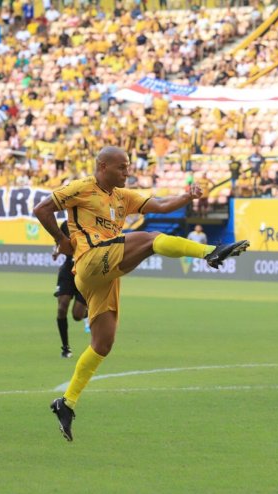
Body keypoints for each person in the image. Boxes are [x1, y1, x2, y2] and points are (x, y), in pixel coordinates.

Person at [33, 146, 249, 441]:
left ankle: (66, 403)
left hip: (103, 276)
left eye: (129, 166)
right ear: (102, 165)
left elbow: (160, 206)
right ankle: (211, 252)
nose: (127, 171)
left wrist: (186, 197)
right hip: (90, 260)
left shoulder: (124, 197)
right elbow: (41, 209)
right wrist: (61, 239)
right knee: (150, 240)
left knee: (102, 344)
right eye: (121, 167)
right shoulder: (81, 188)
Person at [53, 221, 90, 359]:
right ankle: (65, 348)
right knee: (62, 307)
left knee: (77, 316)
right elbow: (58, 240)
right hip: (68, 271)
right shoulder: (65, 225)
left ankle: (86, 314)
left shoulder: (90, 222)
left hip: (85, 272)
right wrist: (56, 251)